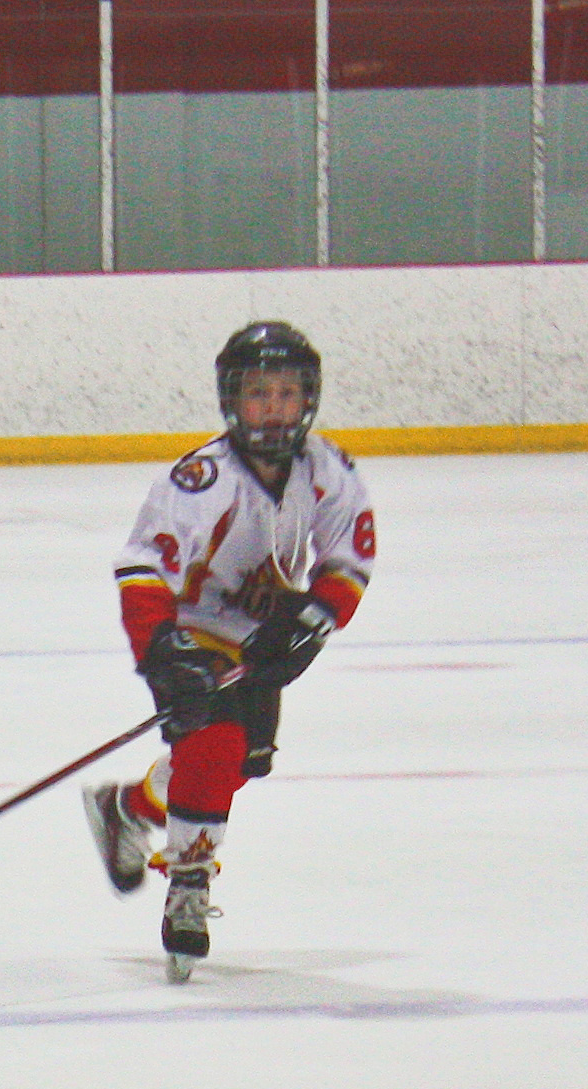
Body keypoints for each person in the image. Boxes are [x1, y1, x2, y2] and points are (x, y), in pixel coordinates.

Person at [79, 319, 376, 980]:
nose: (273, 408)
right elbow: (142, 569)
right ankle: (188, 884)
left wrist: (311, 621)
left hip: (258, 630)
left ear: (308, 399)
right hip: (187, 627)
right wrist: (162, 649)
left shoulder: (329, 470)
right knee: (212, 748)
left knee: (239, 763)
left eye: (286, 393)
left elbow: (347, 561)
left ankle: (126, 808)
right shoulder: (202, 479)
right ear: (231, 400)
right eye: (258, 393)